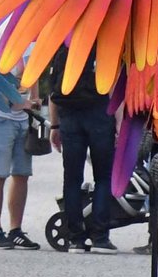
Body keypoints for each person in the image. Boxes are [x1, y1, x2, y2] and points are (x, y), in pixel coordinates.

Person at [48, 54, 116, 252]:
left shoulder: (63, 50)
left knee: (72, 178)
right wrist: (119, 122)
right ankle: (100, 237)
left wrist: (54, 125)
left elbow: (53, 93)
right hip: (100, 114)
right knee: (103, 177)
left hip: (69, 116)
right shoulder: (104, 47)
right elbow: (112, 88)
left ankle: (75, 238)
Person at [0, 70, 41, 251]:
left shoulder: (31, 45)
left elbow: (35, 71)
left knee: (22, 173)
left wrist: (35, 97)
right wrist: (11, 99)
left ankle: (16, 230)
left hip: (23, 117)